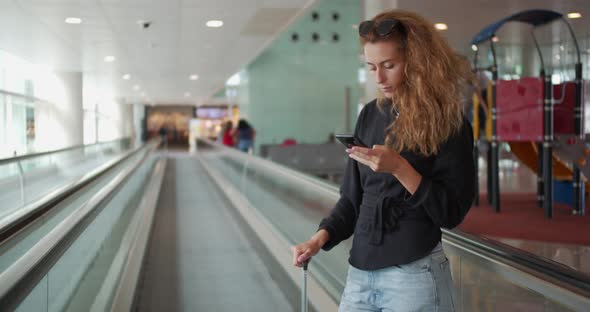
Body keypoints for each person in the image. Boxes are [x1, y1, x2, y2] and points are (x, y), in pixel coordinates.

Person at [291, 9, 475, 312]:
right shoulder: (370, 114)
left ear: (416, 62)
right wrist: (318, 239)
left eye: (389, 65)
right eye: (371, 66)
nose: (379, 77)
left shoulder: (449, 123)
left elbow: (451, 213)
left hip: (414, 277)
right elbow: (352, 200)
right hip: (360, 275)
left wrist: (401, 169)